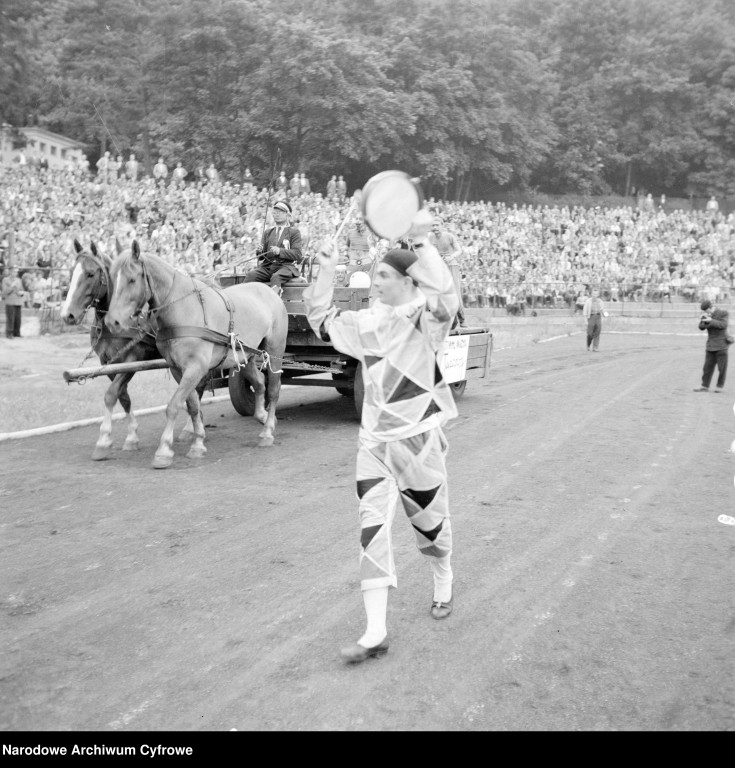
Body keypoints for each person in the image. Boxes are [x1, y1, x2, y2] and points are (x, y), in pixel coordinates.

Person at [303, 208, 458, 665]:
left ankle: (443, 576)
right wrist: (327, 270)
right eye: (375, 275)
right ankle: (375, 632)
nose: (376, 282)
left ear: (410, 282)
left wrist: (423, 243)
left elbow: (446, 299)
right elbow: (321, 318)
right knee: (371, 530)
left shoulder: (425, 320)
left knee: (429, 526)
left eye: (386, 276)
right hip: (372, 444)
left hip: (419, 441)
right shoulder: (364, 323)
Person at [242, 200, 303, 294]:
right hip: (268, 267)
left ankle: (275, 302)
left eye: (280, 212)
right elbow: (261, 257)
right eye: (275, 212)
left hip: (285, 267)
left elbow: (297, 254)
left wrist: (280, 251)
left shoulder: (294, 232)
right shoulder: (268, 232)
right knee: (251, 275)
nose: (277, 214)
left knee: (276, 277)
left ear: (288, 215)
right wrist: (260, 251)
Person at [428, 216, 466, 327]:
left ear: (442, 226)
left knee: (455, 292)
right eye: (433, 225)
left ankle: (462, 318)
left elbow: (459, 250)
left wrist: (451, 256)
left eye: (437, 225)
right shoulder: (430, 238)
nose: (435, 227)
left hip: (451, 265)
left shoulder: (449, 236)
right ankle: (449, 320)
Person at [694, 299, 730, 393]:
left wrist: (711, 320)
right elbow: (701, 328)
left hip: (722, 344)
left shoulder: (723, 313)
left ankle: (719, 386)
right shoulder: (706, 315)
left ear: (711, 307)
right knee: (707, 367)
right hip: (710, 345)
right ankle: (704, 386)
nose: (706, 312)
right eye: (704, 311)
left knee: (722, 368)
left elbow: (723, 325)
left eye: (706, 310)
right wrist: (703, 320)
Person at [2, 266, 24, 338]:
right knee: (10, 318)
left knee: (18, 318)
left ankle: (17, 332)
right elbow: (5, 292)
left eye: (16, 272)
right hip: (10, 301)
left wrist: (21, 293)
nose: (15, 273)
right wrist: (12, 285)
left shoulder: (19, 280)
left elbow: (21, 289)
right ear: (10, 272)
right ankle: (9, 333)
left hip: (18, 301)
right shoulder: (5, 280)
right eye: (14, 271)